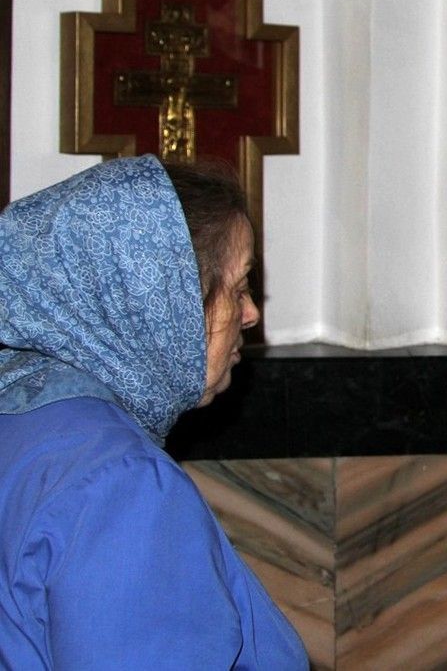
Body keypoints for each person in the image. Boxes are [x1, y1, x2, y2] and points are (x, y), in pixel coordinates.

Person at [0, 155, 308, 668]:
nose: (252, 313)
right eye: (237, 287)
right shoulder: (122, 483)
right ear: (162, 301)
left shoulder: (24, 411)